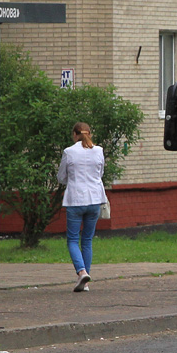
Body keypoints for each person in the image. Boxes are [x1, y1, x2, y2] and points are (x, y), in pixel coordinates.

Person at [58, 122, 106, 292]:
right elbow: (100, 174)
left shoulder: (69, 152)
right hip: (94, 199)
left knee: (72, 239)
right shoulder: (98, 151)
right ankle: (85, 283)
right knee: (87, 240)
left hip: (75, 200)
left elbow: (61, 177)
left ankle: (82, 272)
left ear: (74, 134)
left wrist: (71, 180)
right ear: (89, 134)